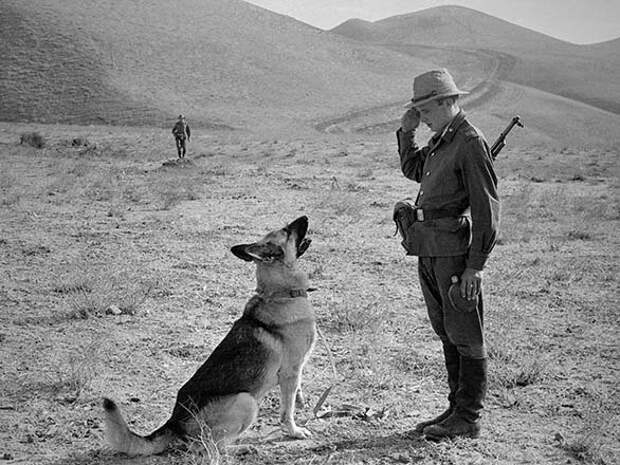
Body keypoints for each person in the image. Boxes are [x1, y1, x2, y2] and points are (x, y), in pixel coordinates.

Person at [395, 69, 500, 440]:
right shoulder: (443, 139)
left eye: (425, 109)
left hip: (455, 255)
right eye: (418, 110)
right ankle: (455, 407)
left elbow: (487, 210)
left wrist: (476, 267)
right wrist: (406, 132)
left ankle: (469, 416)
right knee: (447, 331)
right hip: (430, 249)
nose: (422, 116)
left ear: (446, 101)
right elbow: (414, 169)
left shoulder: (470, 141)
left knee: (466, 333)